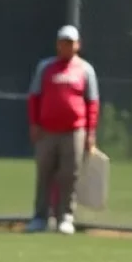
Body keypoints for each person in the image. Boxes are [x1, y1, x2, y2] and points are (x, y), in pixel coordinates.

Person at [26, 25, 99, 234]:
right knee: (44, 174)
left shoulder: (86, 70)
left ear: (78, 45)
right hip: (47, 131)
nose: (67, 46)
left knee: (70, 174)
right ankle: (40, 217)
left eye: (71, 42)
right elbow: (34, 97)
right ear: (58, 44)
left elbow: (92, 103)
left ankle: (65, 216)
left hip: (75, 131)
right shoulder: (45, 67)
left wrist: (90, 132)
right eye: (63, 42)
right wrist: (34, 124)